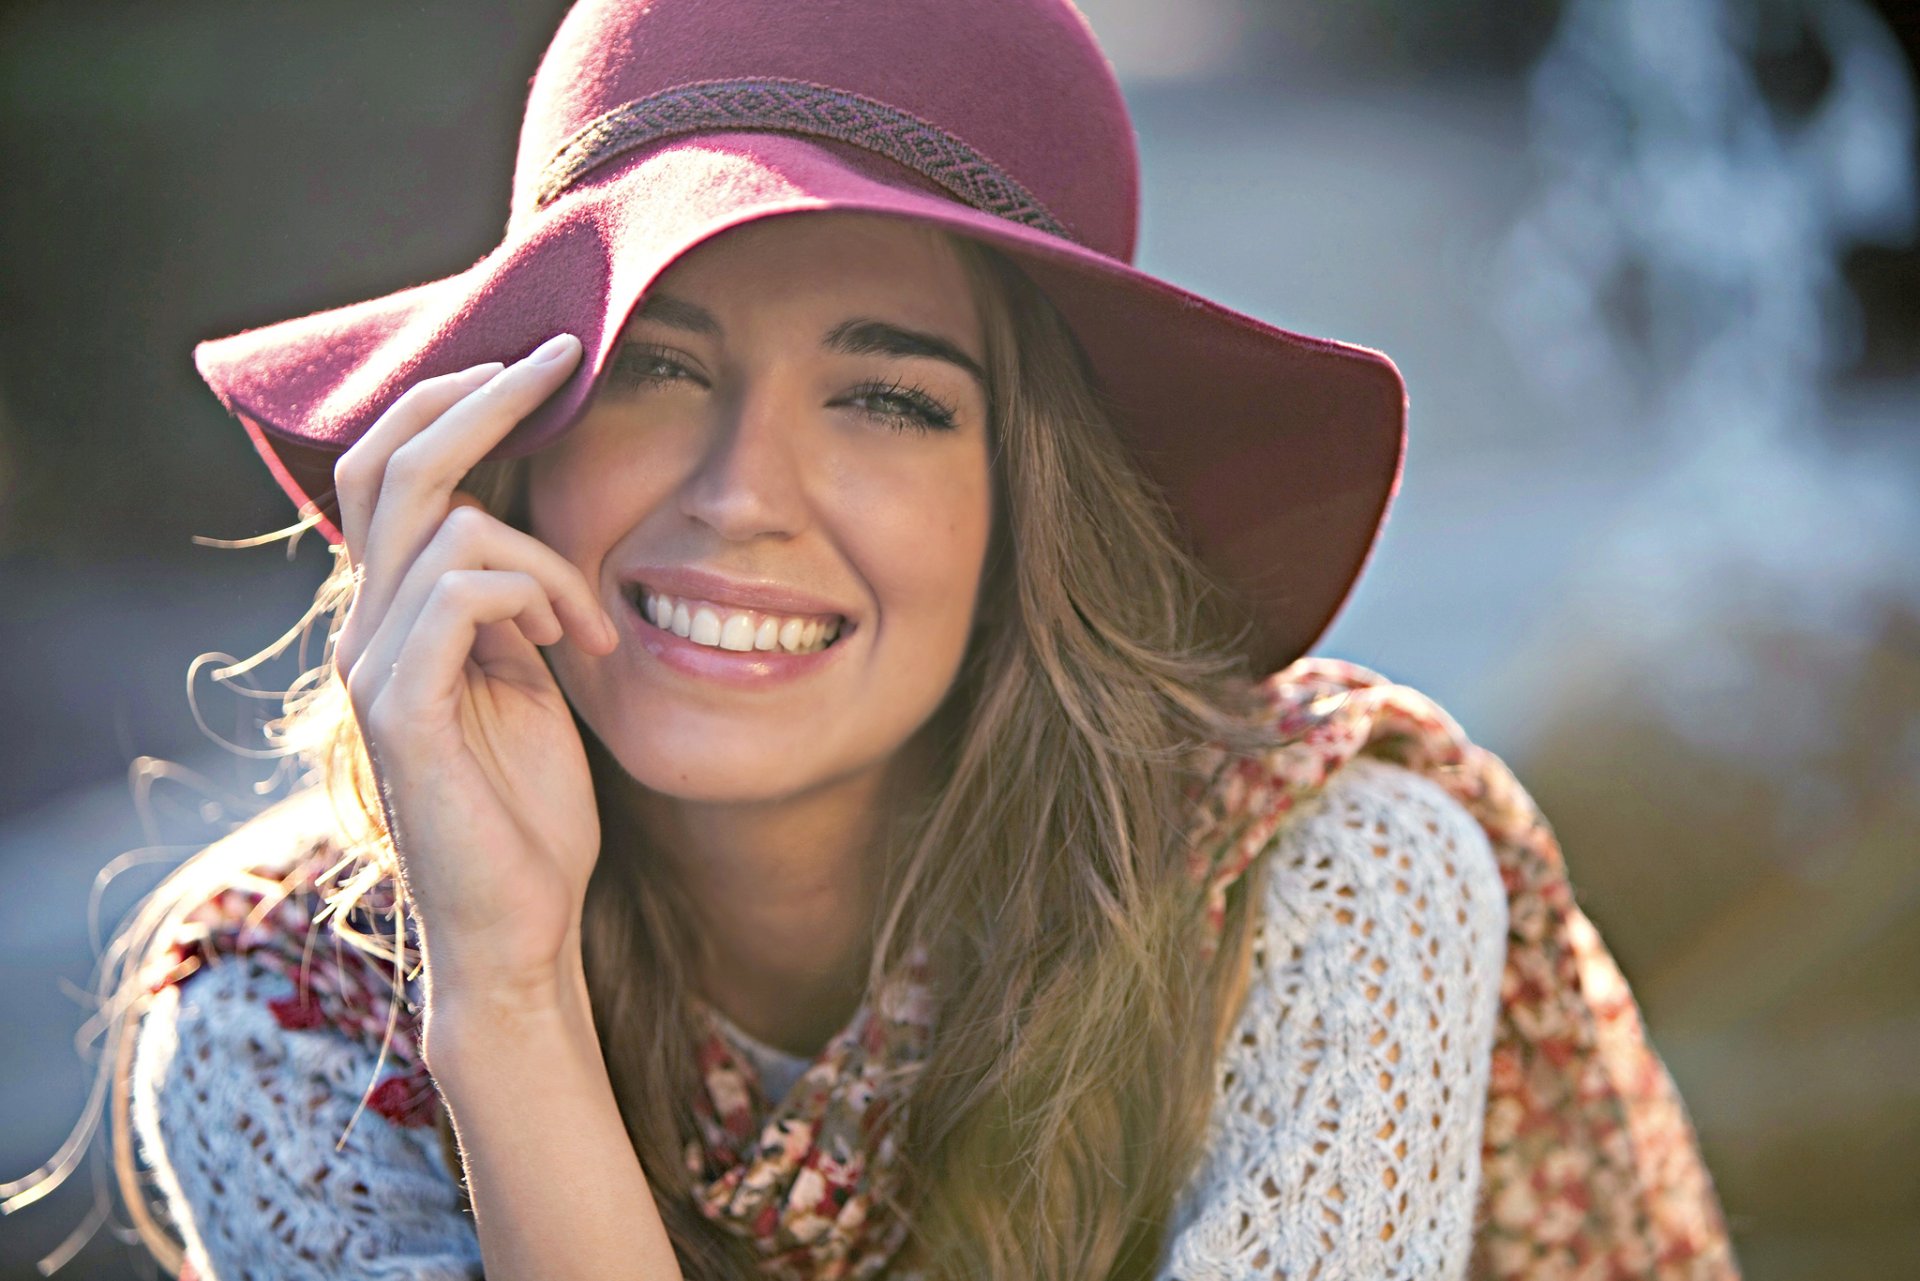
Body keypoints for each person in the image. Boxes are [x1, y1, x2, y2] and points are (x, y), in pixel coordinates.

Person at [0, 1, 1740, 1278]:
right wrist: (507, 994)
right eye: (659, 362)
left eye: (891, 398)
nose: (743, 492)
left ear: (1033, 507)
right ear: (508, 437)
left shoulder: (1328, 881)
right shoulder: (291, 1007)